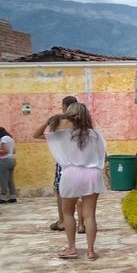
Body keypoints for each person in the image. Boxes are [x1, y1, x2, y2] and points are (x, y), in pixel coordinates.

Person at [41, 102, 106, 261]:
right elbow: (102, 155)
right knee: (90, 215)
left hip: (71, 174)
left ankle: (72, 248)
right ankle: (91, 251)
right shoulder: (96, 134)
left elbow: (36, 134)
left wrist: (49, 120)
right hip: (92, 175)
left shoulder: (63, 134)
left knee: (68, 213)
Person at [35, 95, 83, 232]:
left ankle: (63, 221)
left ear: (63, 106)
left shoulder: (60, 124)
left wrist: (47, 122)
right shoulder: (82, 123)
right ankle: (81, 224)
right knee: (81, 194)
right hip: (81, 163)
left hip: (64, 164)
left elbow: (36, 135)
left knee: (60, 192)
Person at [0, 127, 17, 204]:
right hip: (12, 160)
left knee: (3, 180)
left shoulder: (3, 139)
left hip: (4, 160)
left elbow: (5, 150)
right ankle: (13, 196)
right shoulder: (11, 139)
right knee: (10, 180)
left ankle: (2, 198)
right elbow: (13, 151)